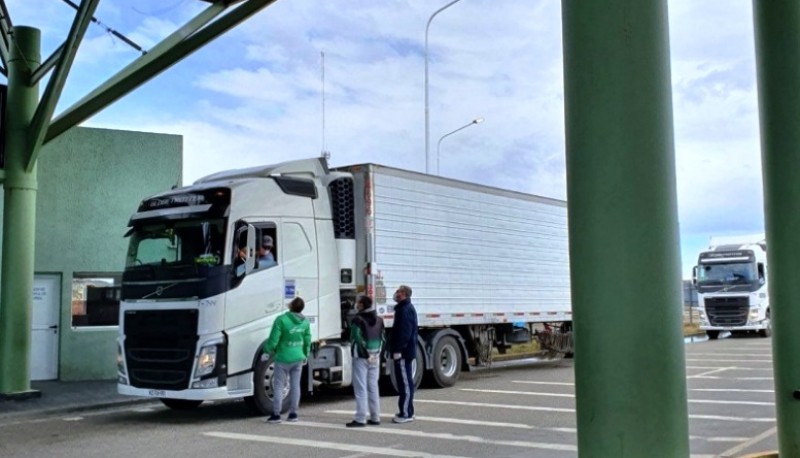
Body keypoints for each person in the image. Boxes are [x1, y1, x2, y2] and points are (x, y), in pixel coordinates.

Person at [263, 297, 311, 424]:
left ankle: (276, 415)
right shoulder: (305, 322)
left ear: (291, 306)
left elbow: (273, 340)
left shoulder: (281, 320)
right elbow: (307, 341)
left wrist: (267, 350)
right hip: (298, 357)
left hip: (283, 358)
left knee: (279, 386)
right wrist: (305, 354)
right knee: (295, 386)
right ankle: (293, 414)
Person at [346, 296, 385, 427]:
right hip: (375, 355)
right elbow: (383, 338)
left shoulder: (357, 320)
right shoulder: (379, 320)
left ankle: (360, 418)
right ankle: (375, 417)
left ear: (362, 305)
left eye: (358, 303)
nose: (356, 304)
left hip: (361, 356)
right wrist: (376, 354)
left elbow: (356, 337)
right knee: (373, 386)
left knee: (360, 387)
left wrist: (365, 354)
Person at [388, 284, 418, 424]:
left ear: (405, 294)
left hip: (403, 353)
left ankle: (406, 413)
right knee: (405, 383)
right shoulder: (404, 308)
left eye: (399, 291)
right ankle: (407, 410)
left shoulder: (404, 310)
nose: (396, 293)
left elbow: (404, 333)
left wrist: (398, 350)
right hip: (405, 352)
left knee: (405, 383)